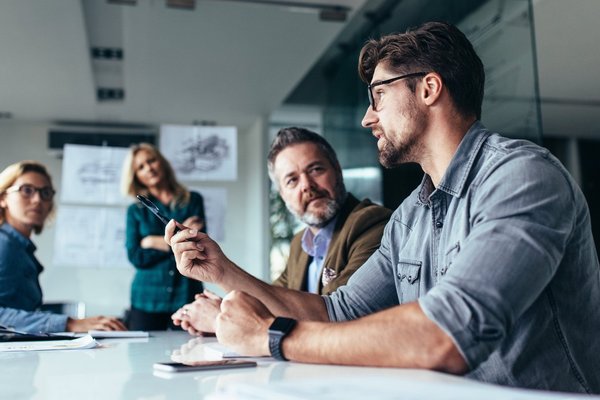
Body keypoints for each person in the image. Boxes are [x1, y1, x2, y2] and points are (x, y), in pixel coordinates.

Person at [166, 21, 600, 393]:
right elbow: (336, 312)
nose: (367, 118)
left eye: (378, 96)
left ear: (429, 88)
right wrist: (220, 270)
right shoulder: (411, 215)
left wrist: (272, 337)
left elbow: (445, 335)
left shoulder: (522, 177)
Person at [171, 128, 391, 335]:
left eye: (316, 169)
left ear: (337, 171)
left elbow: (336, 317)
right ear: (283, 195)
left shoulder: (372, 224)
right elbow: (272, 302)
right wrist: (225, 308)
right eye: (292, 180)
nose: (306, 185)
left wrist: (220, 317)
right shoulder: (300, 244)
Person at [0, 160, 126, 333]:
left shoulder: (20, 247)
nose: (37, 200)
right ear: (3, 198)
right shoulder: (3, 245)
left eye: (45, 193)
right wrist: (69, 323)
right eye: (26, 190)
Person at [122, 143, 205, 330]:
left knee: (190, 352)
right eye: (141, 167)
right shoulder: (135, 211)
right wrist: (177, 242)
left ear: (162, 163)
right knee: (141, 357)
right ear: (136, 176)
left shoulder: (193, 200)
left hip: (186, 294)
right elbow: (136, 256)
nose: (149, 168)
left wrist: (151, 241)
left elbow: (197, 247)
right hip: (147, 299)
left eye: (151, 161)